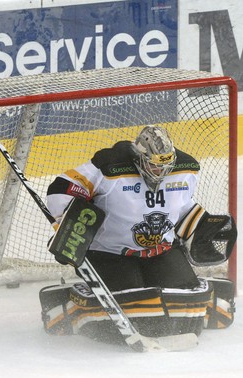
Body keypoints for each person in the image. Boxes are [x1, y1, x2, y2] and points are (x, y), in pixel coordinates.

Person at [39, 125, 237, 344]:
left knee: (182, 292)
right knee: (131, 300)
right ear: (139, 157)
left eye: (165, 166)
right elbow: (62, 189)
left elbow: (180, 206)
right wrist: (67, 227)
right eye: (153, 166)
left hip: (160, 250)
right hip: (110, 253)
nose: (160, 172)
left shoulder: (184, 170)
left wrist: (198, 226)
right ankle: (74, 308)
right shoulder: (110, 167)